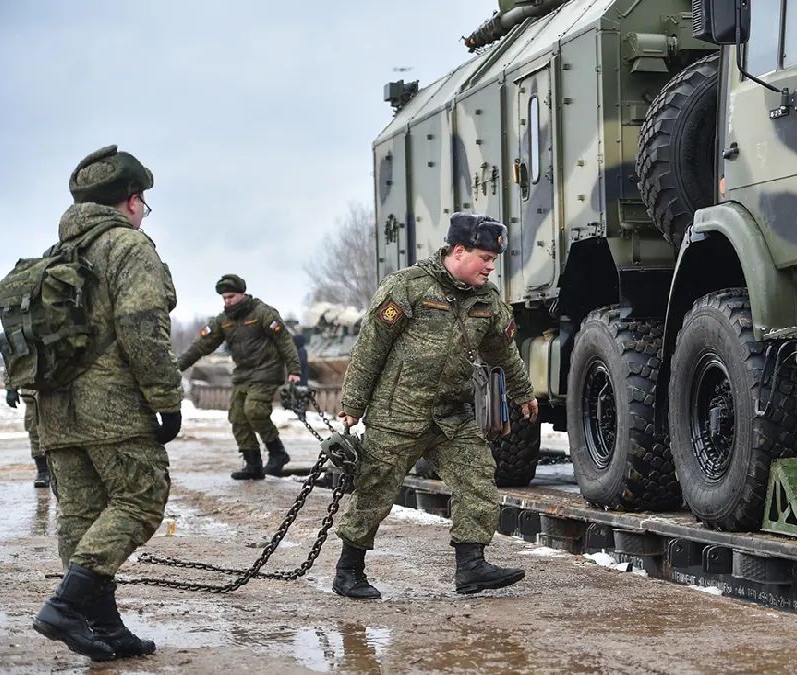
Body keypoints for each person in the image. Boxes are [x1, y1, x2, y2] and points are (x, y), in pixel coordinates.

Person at [332, 212, 538, 599]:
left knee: (478, 478)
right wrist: (353, 404)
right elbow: (369, 349)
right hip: (399, 414)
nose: (491, 266)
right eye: (485, 258)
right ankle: (349, 571)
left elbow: (503, 351)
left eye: (494, 260)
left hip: (452, 415)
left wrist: (523, 392)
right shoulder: (407, 287)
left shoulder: (487, 300)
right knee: (374, 491)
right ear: (458, 251)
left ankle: (471, 567)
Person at [32, 145, 183, 661]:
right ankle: (66, 607)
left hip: (55, 412)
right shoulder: (127, 246)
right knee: (141, 501)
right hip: (112, 408)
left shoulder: (59, 253)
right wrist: (165, 397)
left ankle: (104, 624)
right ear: (131, 201)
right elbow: (143, 327)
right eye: (142, 201)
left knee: (81, 517)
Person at [176, 275, 300, 479]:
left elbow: (284, 341)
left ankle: (277, 453)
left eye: (231, 297)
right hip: (243, 374)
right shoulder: (224, 321)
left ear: (242, 293)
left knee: (255, 410)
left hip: (266, 371)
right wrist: (177, 367)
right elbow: (201, 346)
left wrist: (294, 370)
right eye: (224, 298)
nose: (227, 302)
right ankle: (253, 464)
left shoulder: (262, 313)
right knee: (237, 417)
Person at [6, 389, 49, 487]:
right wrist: (11, 388)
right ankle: (43, 471)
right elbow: (13, 372)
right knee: (35, 433)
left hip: (62, 388)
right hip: (33, 394)